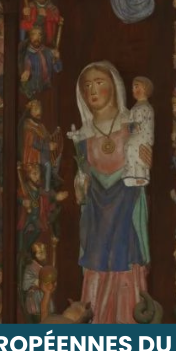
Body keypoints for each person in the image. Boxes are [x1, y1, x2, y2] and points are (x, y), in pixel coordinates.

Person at [67, 62, 154, 324]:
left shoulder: (133, 124)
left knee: (125, 261)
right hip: (96, 215)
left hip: (125, 207)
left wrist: (144, 163)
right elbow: (82, 181)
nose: (93, 90)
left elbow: (141, 162)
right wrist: (80, 187)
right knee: (96, 266)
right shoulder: (82, 136)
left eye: (99, 83)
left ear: (114, 87)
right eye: (87, 86)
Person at [124, 76, 154, 187]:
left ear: (145, 89)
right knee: (131, 153)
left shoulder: (144, 107)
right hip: (134, 139)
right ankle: (132, 177)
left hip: (140, 139)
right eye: (133, 87)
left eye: (137, 87)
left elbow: (137, 126)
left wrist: (127, 127)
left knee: (138, 157)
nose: (133, 90)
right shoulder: (136, 107)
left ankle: (140, 177)